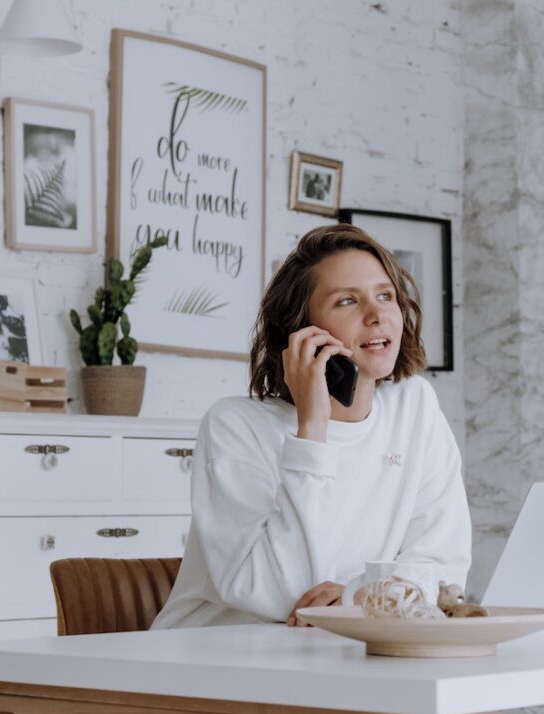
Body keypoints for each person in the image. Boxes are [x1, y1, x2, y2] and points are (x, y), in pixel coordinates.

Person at [151, 224, 471, 629]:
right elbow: (284, 593)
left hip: (342, 647)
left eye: (386, 296)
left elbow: (444, 568)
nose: (376, 316)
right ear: (302, 330)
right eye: (347, 301)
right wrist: (312, 427)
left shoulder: (416, 406)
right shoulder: (234, 425)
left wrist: (357, 597)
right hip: (217, 655)